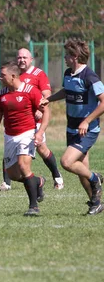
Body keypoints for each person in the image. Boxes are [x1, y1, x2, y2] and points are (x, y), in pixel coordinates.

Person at [41, 39, 104, 215]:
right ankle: (96, 203)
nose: (65, 57)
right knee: (81, 171)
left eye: (67, 55)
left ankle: (96, 178)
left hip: (87, 130)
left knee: (67, 162)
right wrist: (49, 99)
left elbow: (103, 102)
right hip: (72, 129)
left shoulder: (90, 77)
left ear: (75, 57)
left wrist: (87, 121)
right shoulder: (69, 73)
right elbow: (66, 91)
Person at [0, 61, 49, 216]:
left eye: (3, 75)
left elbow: (46, 112)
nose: (0, 78)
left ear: (13, 76)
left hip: (27, 134)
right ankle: (37, 181)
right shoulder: (2, 94)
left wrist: (40, 132)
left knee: (23, 166)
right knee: (13, 175)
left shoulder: (31, 91)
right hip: (10, 136)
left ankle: (33, 206)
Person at [0, 48, 63, 192]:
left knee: (41, 148)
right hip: (17, 121)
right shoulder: (14, 74)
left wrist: (39, 110)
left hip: (34, 120)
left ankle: (57, 177)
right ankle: (7, 182)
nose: (22, 60)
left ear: (31, 59)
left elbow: (45, 95)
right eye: (19, 57)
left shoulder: (38, 74)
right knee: (10, 145)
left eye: (25, 57)